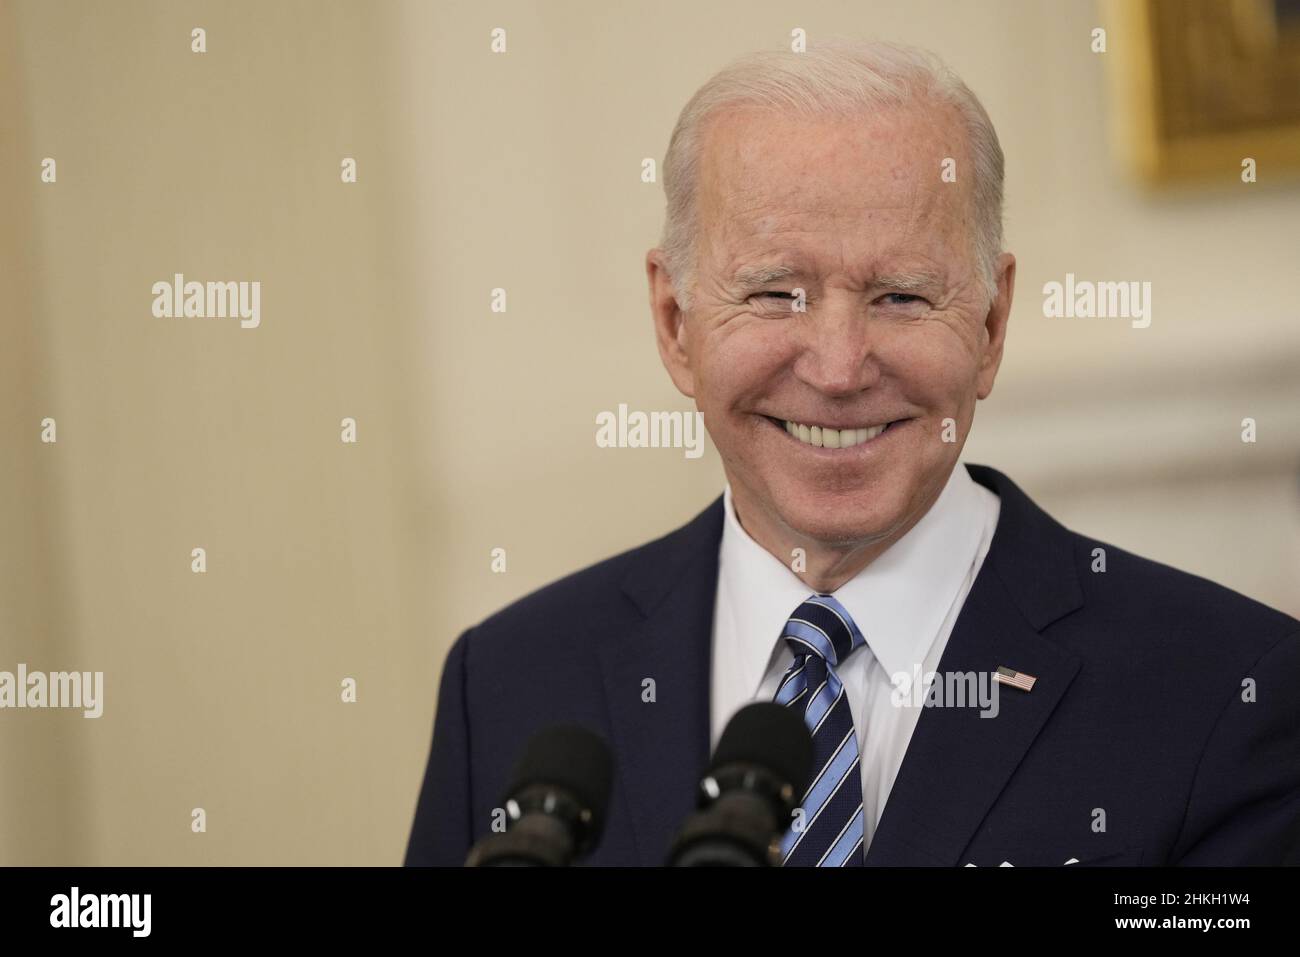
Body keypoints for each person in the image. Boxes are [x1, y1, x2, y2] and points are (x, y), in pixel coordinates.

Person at [405, 39, 1300, 867]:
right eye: (774, 292)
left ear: (990, 325)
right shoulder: (511, 683)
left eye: (903, 296)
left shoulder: (1232, 695)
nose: (837, 369)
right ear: (675, 324)